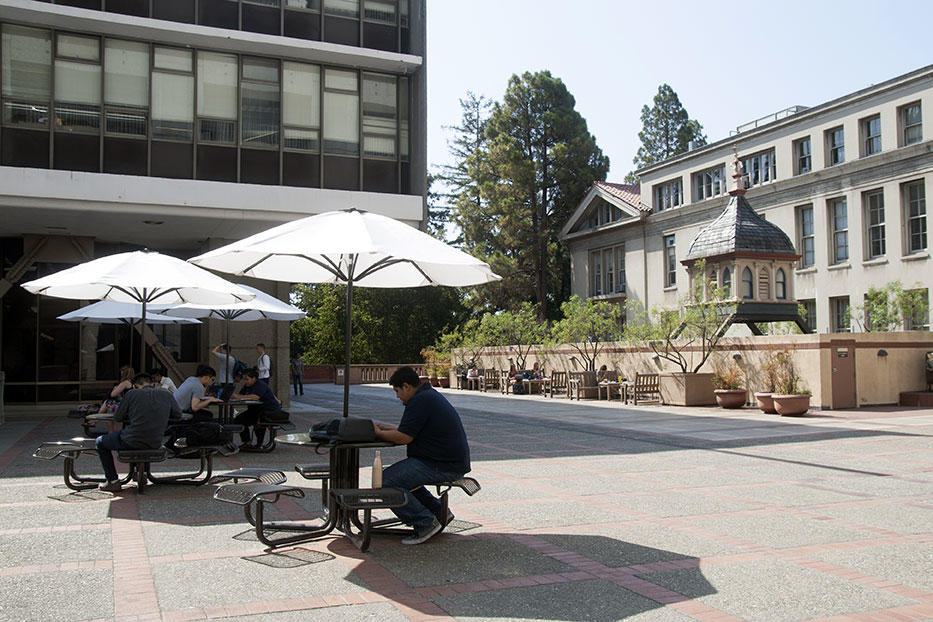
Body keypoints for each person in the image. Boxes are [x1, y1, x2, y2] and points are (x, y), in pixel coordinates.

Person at [374, 366, 471, 545]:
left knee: (384, 481)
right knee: (402, 478)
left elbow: (404, 437)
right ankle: (438, 512)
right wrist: (387, 429)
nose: (397, 396)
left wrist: (378, 433)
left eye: (397, 391)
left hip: (442, 465)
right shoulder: (427, 396)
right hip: (448, 461)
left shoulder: (419, 401)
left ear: (406, 386)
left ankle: (424, 523)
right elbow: (409, 429)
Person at [95, 372, 181, 492]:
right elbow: (178, 414)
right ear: (153, 384)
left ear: (135, 385)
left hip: (130, 440)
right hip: (155, 442)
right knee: (145, 435)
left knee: (100, 441)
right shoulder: (166, 394)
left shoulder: (132, 393)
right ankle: (143, 473)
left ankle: (112, 480)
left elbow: (118, 417)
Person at [233, 368, 283, 448]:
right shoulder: (247, 386)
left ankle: (259, 444)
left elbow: (256, 397)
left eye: (247, 379)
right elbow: (241, 395)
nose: (245, 382)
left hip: (268, 411)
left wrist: (238, 397)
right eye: (244, 379)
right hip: (255, 410)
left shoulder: (260, 385)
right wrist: (236, 397)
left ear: (254, 378)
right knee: (239, 420)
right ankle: (247, 441)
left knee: (258, 422)